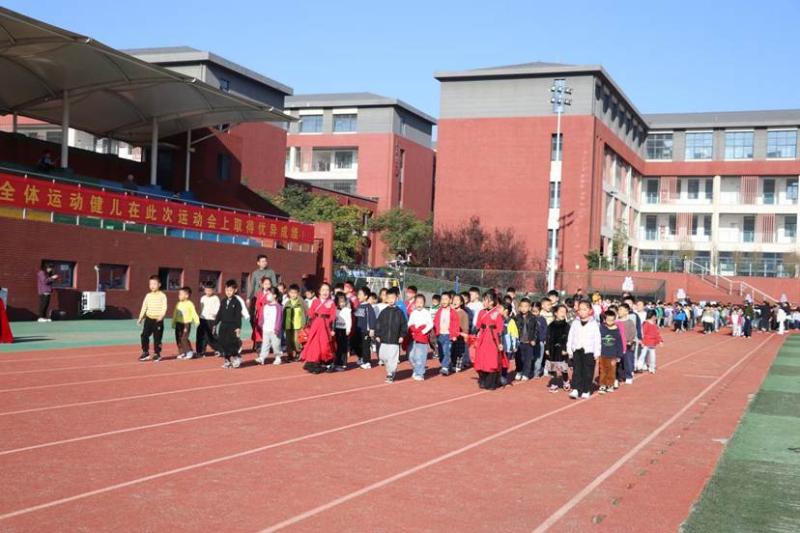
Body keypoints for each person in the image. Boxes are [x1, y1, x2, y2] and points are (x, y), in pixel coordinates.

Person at [566, 300, 602, 399]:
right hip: (577, 350)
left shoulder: (594, 324)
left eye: (584, 309)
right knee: (577, 370)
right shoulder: (575, 323)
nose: (582, 311)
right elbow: (570, 336)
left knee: (588, 371)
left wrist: (597, 352)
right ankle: (576, 389)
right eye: (580, 309)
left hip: (589, 351)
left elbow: (597, 339)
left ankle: (586, 390)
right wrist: (569, 349)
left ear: (590, 311)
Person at [473, 291, 507, 390]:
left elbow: (500, 329)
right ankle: (483, 380)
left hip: (493, 338)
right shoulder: (481, 312)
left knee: (491, 360)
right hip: (482, 337)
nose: (483, 302)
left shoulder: (497, 313)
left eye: (485, 300)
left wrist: (500, 343)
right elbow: (478, 326)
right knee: (481, 358)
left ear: (491, 302)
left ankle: (492, 382)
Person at [301, 283, 336, 374]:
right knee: (314, 345)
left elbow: (333, 316)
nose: (325, 292)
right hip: (316, 326)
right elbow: (311, 313)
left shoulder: (331, 303)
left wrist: (332, 328)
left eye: (327, 290)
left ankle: (328, 362)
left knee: (325, 345)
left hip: (325, 326)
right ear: (319, 291)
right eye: (323, 290)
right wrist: (308, 323)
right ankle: (315, 364)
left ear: (330, 292)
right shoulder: (315, 301)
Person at [375, 287, 407, 383]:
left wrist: (402, 336)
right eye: (389, 298)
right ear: (386, 299)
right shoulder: (383, 312)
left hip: (394, 340)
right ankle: (390, 370)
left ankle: (390, 373)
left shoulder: (399, 312)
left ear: (396, 298)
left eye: (393, 298)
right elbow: (378, 324)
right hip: (384, 339)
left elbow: (404, 325)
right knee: (382, 356)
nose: (391, 300)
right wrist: (377, 334)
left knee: (392, 358)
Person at [137, 275, 167, 362]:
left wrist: (161, 316)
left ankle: (157, 354)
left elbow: (164, 307)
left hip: (158, 320)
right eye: (150, 284)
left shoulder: (162, 296)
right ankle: (145, 352)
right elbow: (144, 307)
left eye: (154, 284)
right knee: (144, 335)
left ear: (159, 284)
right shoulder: (148, 296)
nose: (152, 286)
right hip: (148, 319)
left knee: (157, 338)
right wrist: (140, 317)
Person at [217, 280, 244, 368]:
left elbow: (238, 316)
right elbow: (220, 313)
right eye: (227, 290)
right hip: (223, 325)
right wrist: (215, 323)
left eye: (230, 290)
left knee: (231, 343)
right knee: (222, 342)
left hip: (232, 326)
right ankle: (227, 360)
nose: (228, 292)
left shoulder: (237, 303)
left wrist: (238, 327)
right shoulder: (223, 301)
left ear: (235, 290)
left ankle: (236, 357)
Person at [408, 294, 434, 381]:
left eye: (421, 302)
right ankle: (416, 369)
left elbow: (430, 324)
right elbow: (410, 323)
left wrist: (423, 332)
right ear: (414, 303)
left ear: (424, 303)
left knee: (420, 356)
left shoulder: (426, 312)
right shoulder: (413, 313)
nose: (419, 304)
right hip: (413, 337)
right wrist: (412, 329)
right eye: (417, 302)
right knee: (411, 356)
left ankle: (420, 374)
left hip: (422, 338)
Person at [544, 304, 570, 392]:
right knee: (552, 368)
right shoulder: (551, 325)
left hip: (562, 349)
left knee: (563, 368)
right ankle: (554, 383)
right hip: (552, 349)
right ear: (555, 313)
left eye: (565, 312)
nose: (563, 313)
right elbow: (547, 337)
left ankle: (566, 381)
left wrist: (565, 349)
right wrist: (547, 348)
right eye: (561, 311)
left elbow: (568, 338)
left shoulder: (567, 326)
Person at [598, 309, 624, 394]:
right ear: (604, 320)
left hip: (613, 355)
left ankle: (610, 385)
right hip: (602, 354)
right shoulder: (601, 328)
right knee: (602, 370)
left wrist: (619, 355)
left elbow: (619, 344)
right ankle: (602, 385)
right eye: (608, 320)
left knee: (611, 371)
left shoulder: (616, 331)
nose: (610, 322)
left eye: (612, 320)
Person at [433, 292, 460, 376]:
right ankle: (446, 364)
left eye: (446, 299)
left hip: (448, 335)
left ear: (450, 300)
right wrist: (434, 331)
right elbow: (435, 321)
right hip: (440, 335)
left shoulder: (453, 312)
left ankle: (445, 367)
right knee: (441, 353)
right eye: (442, 299)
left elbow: (456, 324)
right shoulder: (439, 311)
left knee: (446, 351)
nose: (443, 301)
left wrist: (454, 335)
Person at [513, 298, 538, 381]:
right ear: (519, 307)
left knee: (528, 359)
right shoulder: (516, 317)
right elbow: (513, 330)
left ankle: (526, 373)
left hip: (529, 342)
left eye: (526, 306)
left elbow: (536, 330)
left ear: (530, 308)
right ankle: (519, 371)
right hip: (519, 342)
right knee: (518, 358)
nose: (524, 308)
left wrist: (534, 339)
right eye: (522, 306)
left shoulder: (533, 318)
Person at [257, 287, 284, 365]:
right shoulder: (265, 306)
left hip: (274, 330)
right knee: (265, 344)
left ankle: (278, 357)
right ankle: (262, 357)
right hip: (266, 329)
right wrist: (261, 324)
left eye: (269, 294)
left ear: (274, 295)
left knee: (276, 345)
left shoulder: (278, 307)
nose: (267, 295)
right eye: (267, 294)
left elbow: (279, 319)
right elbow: (262, 316)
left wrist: (277, 328)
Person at [173, 286, 200, 360]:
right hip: (178, 324)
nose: (179, 295)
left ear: (187, 295)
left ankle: (189, 352)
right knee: (178, 338)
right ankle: (182, 352)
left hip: (186, 324)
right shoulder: (178, 304)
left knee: (184, 338)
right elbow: (175, 313)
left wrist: (197, 321)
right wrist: (173, 322)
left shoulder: (190, 304)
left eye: (181, 294)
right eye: (179, 294)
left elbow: (194, 313)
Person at [353, 287, 377, 369]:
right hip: (358, 330)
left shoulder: (368, 307)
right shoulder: (359, 306)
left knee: (365, 346)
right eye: (358, 294)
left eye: (360, 294)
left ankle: (367, 362)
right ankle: (362, 358)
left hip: (366, 331)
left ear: (366, 296)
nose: (358, 296)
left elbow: (372, 318)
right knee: (356, 345)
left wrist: (372, 329)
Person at [283, 284, 308, 362]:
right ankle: (290, 355)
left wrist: (304, 323)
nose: (293, 294)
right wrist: (283, 324)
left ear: (298, 293)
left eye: (295, 293)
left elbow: (306, 312)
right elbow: (284, 314)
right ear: (288, 293)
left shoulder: (301, 302)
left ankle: (298, 352)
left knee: (296, 341)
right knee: (288, 341)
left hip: (298, 326)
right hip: (288, 326)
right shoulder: (287, 303)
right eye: (291, 293)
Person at [197, 282, 220, 357]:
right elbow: (201, 308)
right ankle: (201, 351)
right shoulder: (203, 298)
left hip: (211, 320)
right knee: (201, 335)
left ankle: (218, 349)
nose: (208, 292)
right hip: (202, 319)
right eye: (206, 290)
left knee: (212, 335)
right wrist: (199, 316)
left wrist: (213, 315)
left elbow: (217, 309)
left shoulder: (216, 298)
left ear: (213, 290)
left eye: (210, 290)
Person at [617, 304, 638, 385]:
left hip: (627, 345)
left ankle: (629, 376)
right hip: (618, 345)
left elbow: (633, 332)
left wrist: (629, 341)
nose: (619, 311)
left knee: (627, 361)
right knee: (619, 362)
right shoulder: (616, 322)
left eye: (621, 309)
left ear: (626, 311)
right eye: (618, 309)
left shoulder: (630, 322)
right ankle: (620, 375)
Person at [251, 276, 274, 350]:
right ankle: (258, 345)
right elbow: (256, 305)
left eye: (268, 284)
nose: (267, 285)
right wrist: (255, 315)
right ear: (262, 285)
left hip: (267, 316)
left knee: (266, 331)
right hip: (259, 315)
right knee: (258, 330)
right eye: (265, 284)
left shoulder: (271, 295)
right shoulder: (259, 294)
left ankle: (267, 345)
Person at [452, 293, 471, 372]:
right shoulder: (450, 311)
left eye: (457, 300)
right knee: (452, 351)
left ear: (461, 302)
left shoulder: (464, 313)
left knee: (459, 351)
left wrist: (464, 334)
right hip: (451, 336)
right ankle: (453, 364)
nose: (455, 301)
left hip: (460, 336)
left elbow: (465, 327)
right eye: (454, 300)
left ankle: (458, 365)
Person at [333, 293, 352, 371]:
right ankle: (337, 362)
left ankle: (343, 363)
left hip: (344, 330)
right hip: (337, 330)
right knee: (337, 347)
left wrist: (348, 329)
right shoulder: (335, 310)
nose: (342, 303)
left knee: (343, 347)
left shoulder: (347, 310)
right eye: (340, 302)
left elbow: (349, 320)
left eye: (343, 301)